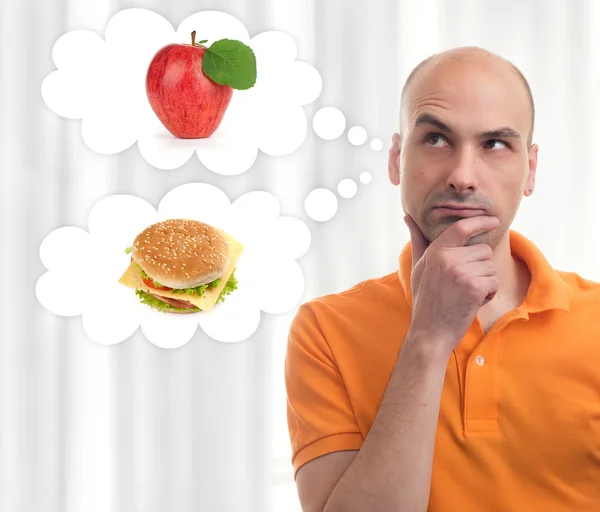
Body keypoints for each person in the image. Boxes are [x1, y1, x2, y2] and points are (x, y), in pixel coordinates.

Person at [285, 46, 600, 512]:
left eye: (494, 144)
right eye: (436, 139)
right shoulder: (324, 331)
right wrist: (428, 340)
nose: (462, 176)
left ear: (530, 170)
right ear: (396, 159)